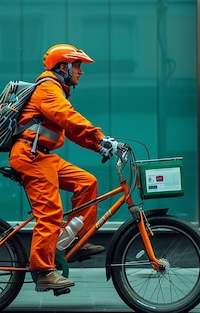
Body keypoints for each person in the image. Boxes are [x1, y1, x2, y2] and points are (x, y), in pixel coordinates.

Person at [9, 44, 119, 292]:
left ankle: (76, 239)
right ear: (64, 67)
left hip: (42, 156)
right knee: (50, 213)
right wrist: (98, 136)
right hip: (30, 156)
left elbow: (70, 130)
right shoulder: (48, 88)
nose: (81, 72)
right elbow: (67, 117)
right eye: (78, 66)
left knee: (87, 182)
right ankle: (44, 270)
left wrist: (98, 146)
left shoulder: (57, 89)